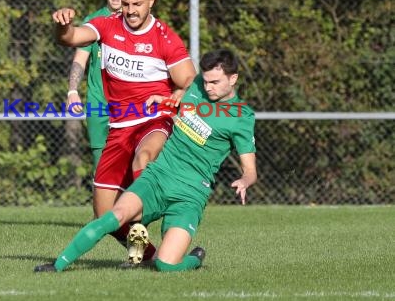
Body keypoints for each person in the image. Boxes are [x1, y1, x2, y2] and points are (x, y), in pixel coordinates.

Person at [35, 48, 257, 272]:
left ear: (233, 78)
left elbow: (250, 170)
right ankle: (57, 265)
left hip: (190, 195)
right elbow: (184, 104)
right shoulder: (199, 84)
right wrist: (164, 100)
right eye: (206, 81)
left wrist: (245, 181)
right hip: (158, 177)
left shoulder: (241, 117)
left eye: (215, 82)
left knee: (165, 265)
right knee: (114, 216)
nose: (208, 87)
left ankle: (194, 259)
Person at [54, 0, 197, 263]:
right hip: (119, 127)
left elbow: (189, 81)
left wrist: (177, 96)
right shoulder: (106, 25)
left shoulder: (165, 38)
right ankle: (151, 257)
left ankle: (165, 208)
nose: (130, 10)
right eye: (127, 4)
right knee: (105, 216)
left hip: (154, 119)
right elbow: (70, 39)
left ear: (151, 2)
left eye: (137, 4)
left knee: (143, 157)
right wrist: (62, 26)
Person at [67, 0, 129, 172]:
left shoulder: (138, 22)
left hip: (130, 105)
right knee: (101, 169)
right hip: (99, 104)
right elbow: (80, 59)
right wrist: (73, 91)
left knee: (133, 166)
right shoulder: (94, 22)